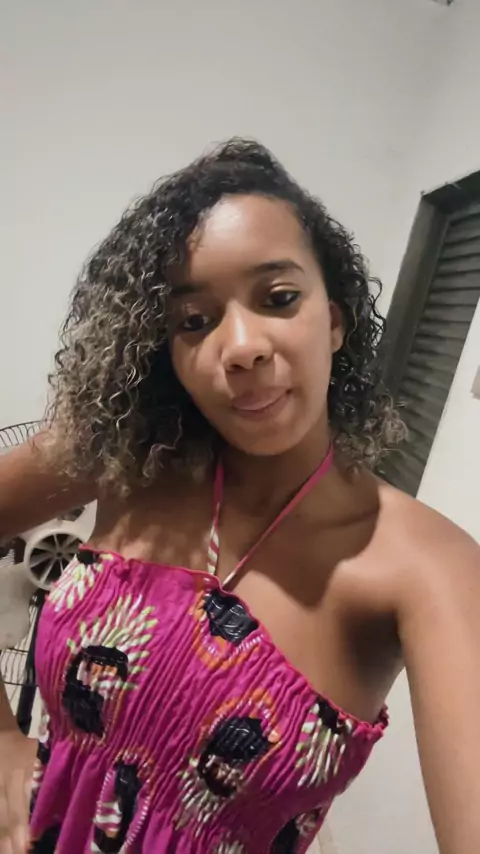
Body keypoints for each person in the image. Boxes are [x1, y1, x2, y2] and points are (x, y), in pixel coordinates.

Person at [0, 139, 479, 854]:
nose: (242, 346)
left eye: (278, 299)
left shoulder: (425, 567)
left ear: (335, 320)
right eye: (194, 321)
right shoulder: (130, 462)